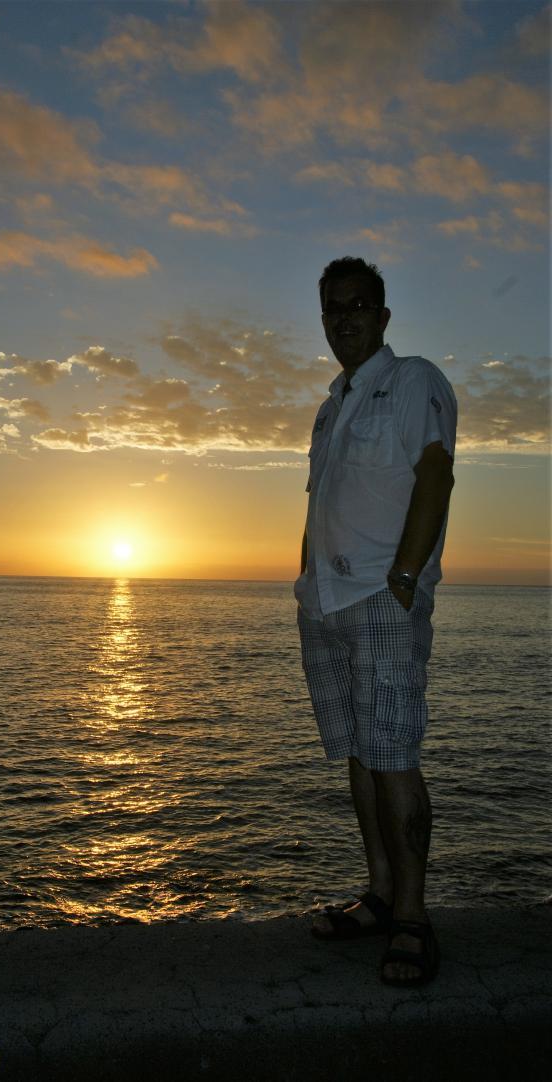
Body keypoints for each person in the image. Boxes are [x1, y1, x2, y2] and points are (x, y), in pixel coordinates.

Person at [295, 256, 457, 987]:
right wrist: (305, 579)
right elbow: (320, 500)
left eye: (358, 306)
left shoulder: (413, 380)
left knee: (393, 754)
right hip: (325, 600)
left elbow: (435, 473)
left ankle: (414, 918)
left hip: (382, 596)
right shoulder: (331, 406)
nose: (345, 319)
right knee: (361, 754)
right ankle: (382, 893)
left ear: (383, 316)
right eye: (333, 308)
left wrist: (405, 577)